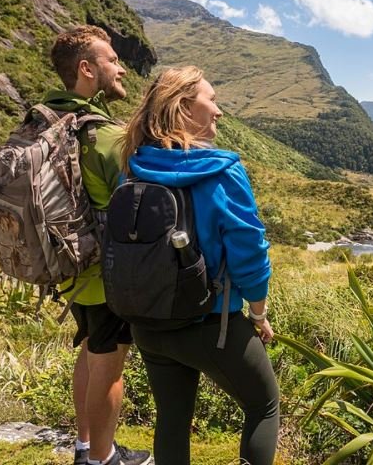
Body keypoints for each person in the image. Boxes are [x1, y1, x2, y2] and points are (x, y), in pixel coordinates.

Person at [118, 66, 279, 465]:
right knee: (264, 406)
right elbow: (249, 252)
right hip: (210, 323)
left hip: (148, 322)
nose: (219, 111)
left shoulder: (134, 164)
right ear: (185, 108)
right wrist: (258, 314)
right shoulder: (222, 171)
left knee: (171, 419)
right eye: (212, 99)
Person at [45, 26, 152, 465]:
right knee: (109, 366)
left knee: (90, 352)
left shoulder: (51, 119)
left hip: (69, 266)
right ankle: (103, 460)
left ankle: (86, 446)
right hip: (104, 275)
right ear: (87, 69)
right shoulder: (105, 136)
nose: (121, 66)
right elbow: (139, 203)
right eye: (111, 60)